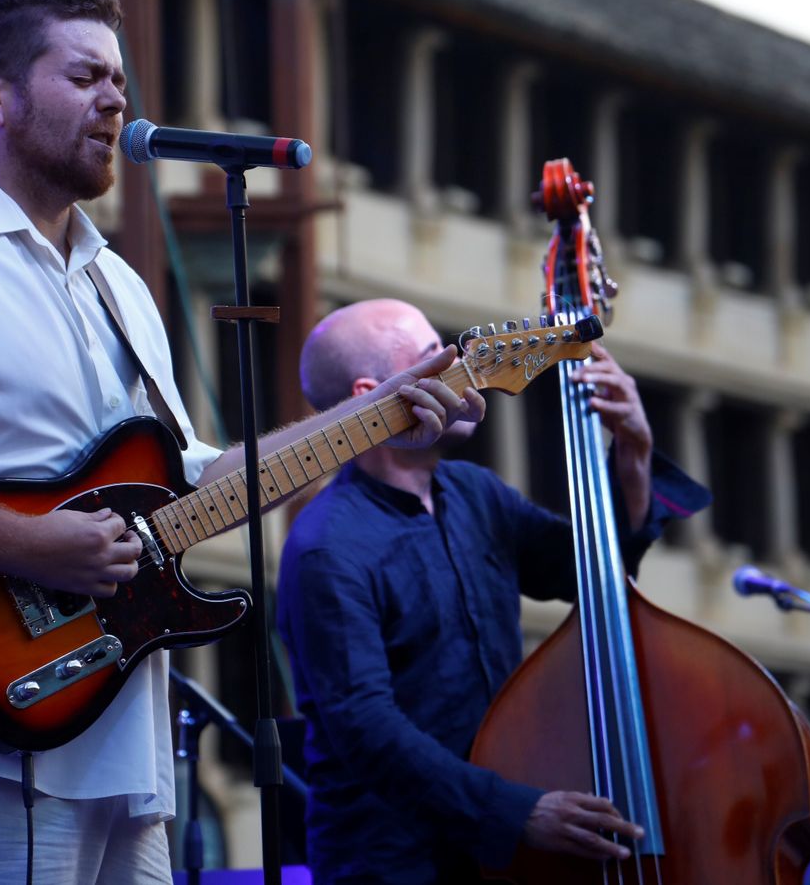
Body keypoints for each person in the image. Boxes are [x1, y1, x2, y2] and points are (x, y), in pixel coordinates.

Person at [0, 0, 478, 885]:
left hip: (122, 754)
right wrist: (32, 547)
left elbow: (190, 484)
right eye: (86, 77)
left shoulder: (119, 286)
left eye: (122, 84)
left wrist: (382, 410)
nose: (116, 100)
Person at [276, 298, 712, 884]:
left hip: (497, 857)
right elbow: (367, 729)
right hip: (392, 862)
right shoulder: (327, 546)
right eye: (435, 356)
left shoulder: (476, 492)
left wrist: (632, 450)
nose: (463, 366)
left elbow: (586, 570)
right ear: (369, 395)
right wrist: (518, 811)